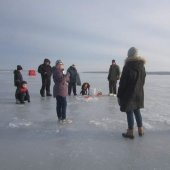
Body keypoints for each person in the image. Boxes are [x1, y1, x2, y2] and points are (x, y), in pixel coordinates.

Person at [117, 47, 146, 139]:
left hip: (129, 94)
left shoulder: (128, 66)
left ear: (129, 55)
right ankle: (141, 130)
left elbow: (123, 83)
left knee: (129, 111)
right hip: (139, 93)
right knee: (137, 111)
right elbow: (143, 81)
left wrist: (119, 94)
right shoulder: (142, 66)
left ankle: (130, 132)